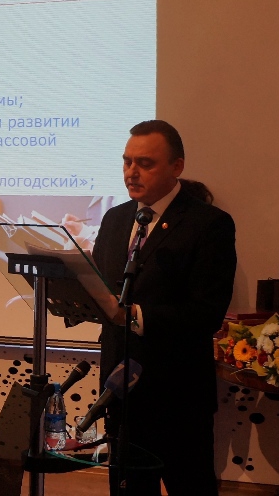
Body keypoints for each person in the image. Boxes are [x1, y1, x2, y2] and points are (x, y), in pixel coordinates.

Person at [91, 120, 236, 496]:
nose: (131, 172)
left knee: (190, 487)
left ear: (177, 167)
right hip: (120, 390)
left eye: (145, 163)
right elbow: (104, 289)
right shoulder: (115, 218)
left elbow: (206, 313)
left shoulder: (209, 225)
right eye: (127, 162)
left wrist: (134, 316)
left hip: (177, 394)